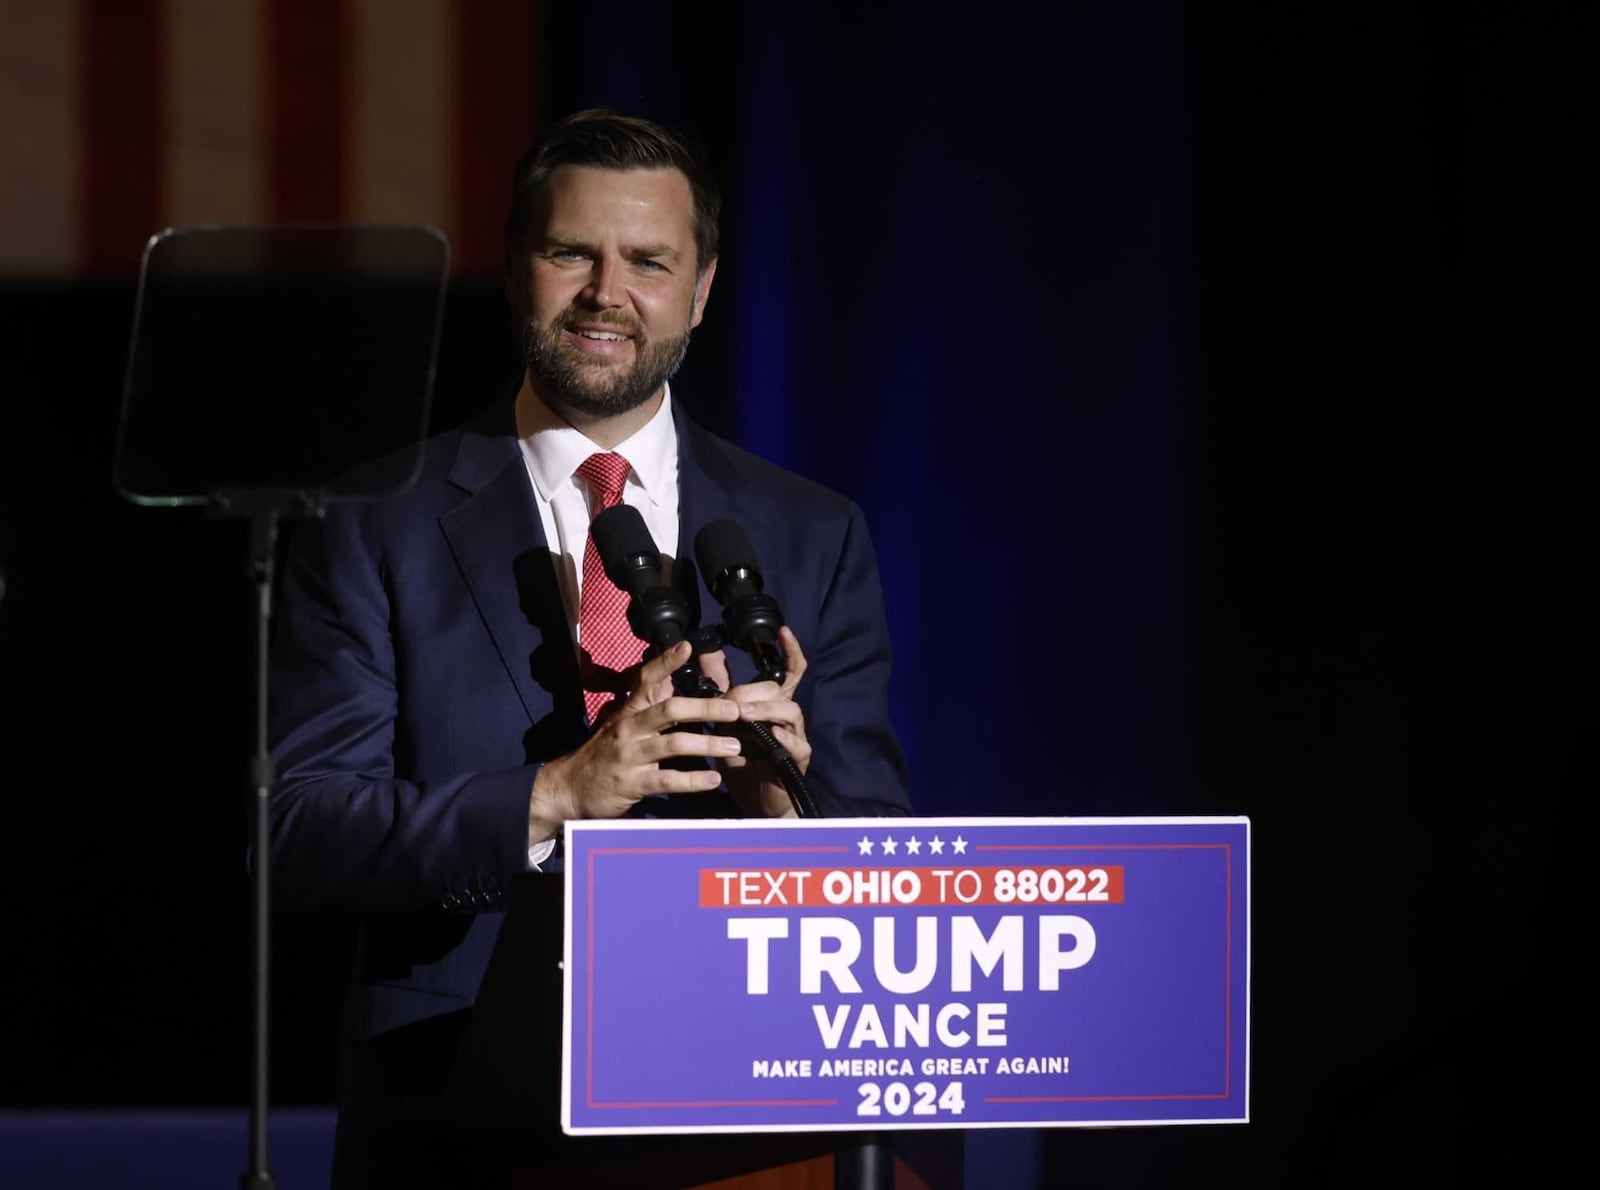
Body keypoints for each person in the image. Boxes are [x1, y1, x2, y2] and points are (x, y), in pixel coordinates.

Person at [266, 108, 912, 1186]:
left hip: (741, 1095)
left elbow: (876, 843)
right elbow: (297, 827)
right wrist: (557, 793)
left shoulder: (811, 530)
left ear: (700, 290)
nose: (608, 292)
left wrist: (783, 811)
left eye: (648, 261)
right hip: (460, 1108)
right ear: (516, 267)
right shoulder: (371, 518)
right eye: (572, 252)